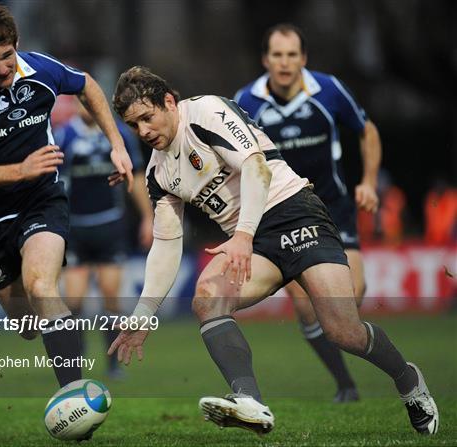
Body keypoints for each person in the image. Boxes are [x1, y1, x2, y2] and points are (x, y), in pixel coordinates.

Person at [107, 66, 438, 436]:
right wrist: (144, 312)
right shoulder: (158, 173)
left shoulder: (205, 112)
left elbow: (256, 168)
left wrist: (244, 235)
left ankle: (408, 380)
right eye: (134, 126)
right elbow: (167, 243)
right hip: (252, 242)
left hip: (294, 213)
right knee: (207, 297)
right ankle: (250, 402)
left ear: (169, 101)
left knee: (344, 332)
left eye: (147, 118)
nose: (144, 132)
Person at [0, 4, 133, 389]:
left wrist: (116, 144)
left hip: (42, 200)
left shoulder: (40, 70)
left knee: (42, 287)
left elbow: (87, 84)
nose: (2, 68)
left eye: (7, 55)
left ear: (17, 45)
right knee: (27, 327)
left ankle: (74, 396)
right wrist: (18, 170)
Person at [234, 24, 382, 402]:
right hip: (287, 212)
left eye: (292, 55)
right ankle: (345, 384)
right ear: (266, 59)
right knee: (308, 307)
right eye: (277, 55)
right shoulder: (246, 102)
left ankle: (356, 351)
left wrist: (367, 180)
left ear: (303, 58)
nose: (285, 63)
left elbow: (367, 131)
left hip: (334, 207)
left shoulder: (328, 90)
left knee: (351, 298)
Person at [55, 101, 153, 378]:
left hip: (110, 224)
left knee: (111, 295)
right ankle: (76, 363)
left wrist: (148, 217)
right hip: (75, 229)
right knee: (73, 301)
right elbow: (53, 184)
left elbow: (135, 175)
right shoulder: (63, 136)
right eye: (81, 101)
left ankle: (112, 365)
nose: (87, 106)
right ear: (75, 104)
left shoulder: (117, 135)